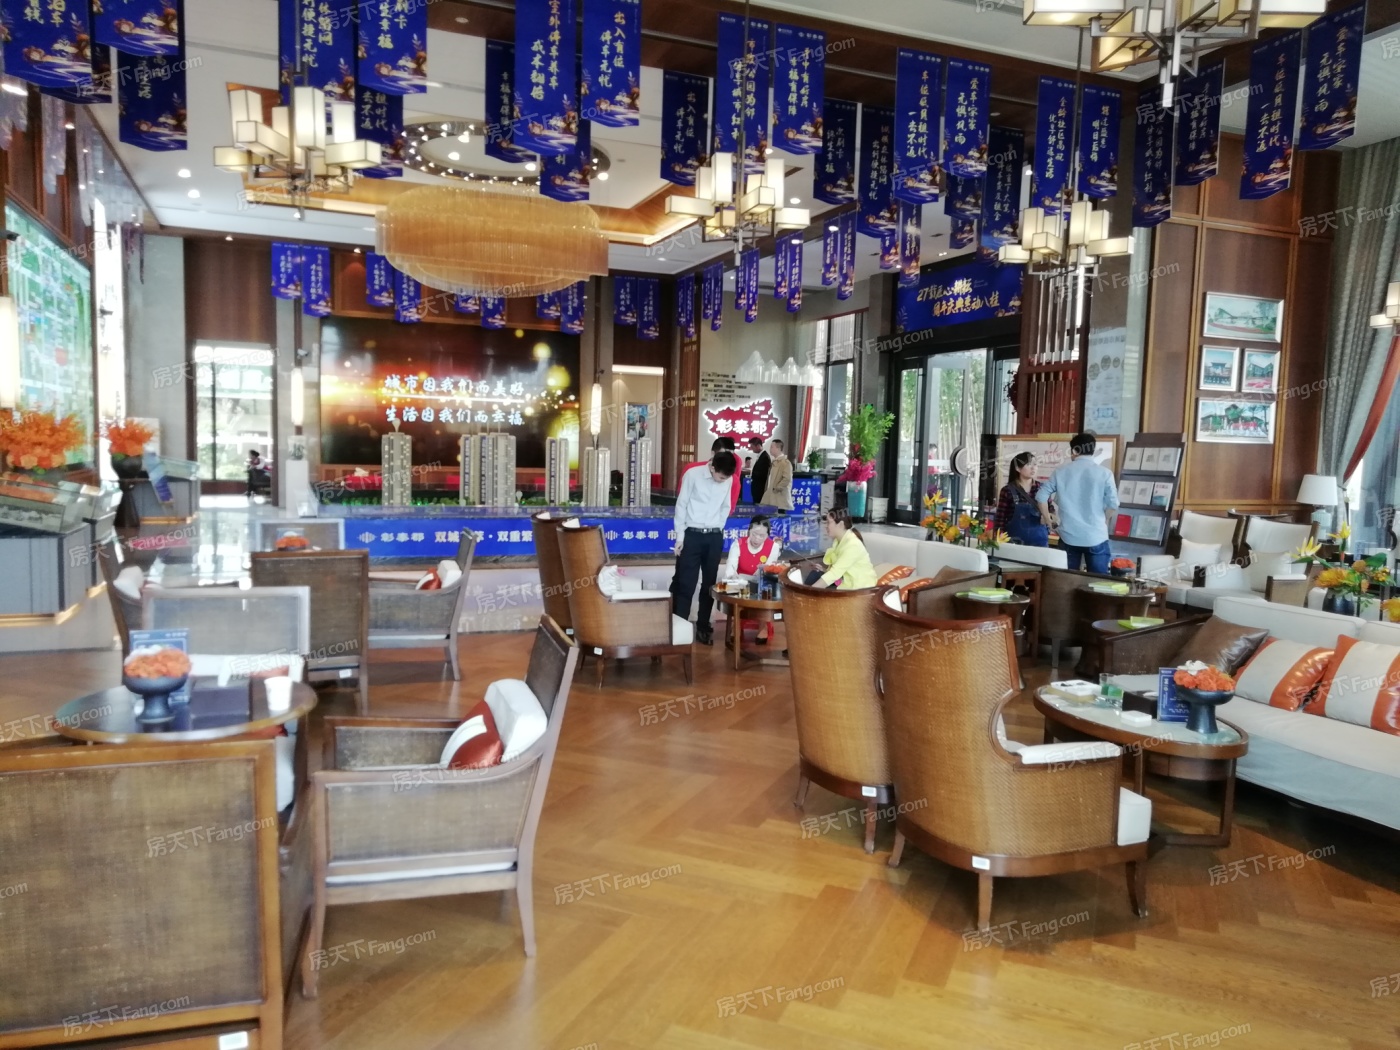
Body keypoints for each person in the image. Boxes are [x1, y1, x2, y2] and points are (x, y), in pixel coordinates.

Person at [672, 450, 740, 645]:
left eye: (726, 478)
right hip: (692, 535)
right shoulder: (693, 475)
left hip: (714, 536)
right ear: (712, 467)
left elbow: (725, 507)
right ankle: (680, 628)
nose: (723, 480)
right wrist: (680, 537)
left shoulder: (729, 480)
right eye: (720, 477)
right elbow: (681, 505)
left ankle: (703, 626)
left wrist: (718, 527)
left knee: (709, 583)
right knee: (686, 583)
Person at [1036, 432, 1119, 573]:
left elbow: (1041, 496)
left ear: (1074, 451)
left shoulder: (1060, 471)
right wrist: (1104, 519)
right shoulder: (1105, 473)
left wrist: (1048, 520)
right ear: (1092, 450)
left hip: (1068, 536)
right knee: (1098, 582)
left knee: (1067, 581)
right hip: (1096, 535)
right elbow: (1113, 504)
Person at [723, 515, 783, 643]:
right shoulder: (738, 544)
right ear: (749, 530)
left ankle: (763, 626)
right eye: (754, 534)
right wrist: (734, 576)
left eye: (762, 535)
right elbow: (730, 569)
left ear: (767, 535)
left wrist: (749, 577)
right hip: (741, 585)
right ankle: (736, 624)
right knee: (734, 588)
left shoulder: (773, 547)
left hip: (761, 583)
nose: (757, 538)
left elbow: (765, 572)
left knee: (765, 587)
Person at [810, 507, 876, 590]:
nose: (826, 526)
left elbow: (834, 574)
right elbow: (838, 571)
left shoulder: (853, 545)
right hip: (844, 583)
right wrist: (823, 570)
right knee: (815, 574)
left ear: (840, 524)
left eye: (828, 523)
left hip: (858, 590)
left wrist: (808, 591)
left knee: (815, 582)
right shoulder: (838, 541)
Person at [995, 451, 1048, 547]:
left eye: (1035, 464)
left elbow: (1050, 509)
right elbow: (1000, 518)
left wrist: (1047, 518)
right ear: (1018, 468)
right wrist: (1000, 539)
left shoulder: (1042, 489)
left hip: (1039, 541)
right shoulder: (1007, 490)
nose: (1033, 468)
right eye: (1028, 464)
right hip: (1014, 542)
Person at [682, 437, 742, 514]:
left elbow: (729, 508)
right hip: (691, 518)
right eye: (722, 455)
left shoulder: (734, 480)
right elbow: (682, 500)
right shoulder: (691, 470)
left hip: (715, 521)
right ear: (713, 453)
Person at [761, 439, 793, 512]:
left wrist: (777, 488)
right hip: (771, 496)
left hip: (779, 497)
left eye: (772, 447)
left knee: (779, 515)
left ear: (778, 448)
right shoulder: (775, 462)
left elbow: (787, 478)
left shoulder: (785, 463)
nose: (770, 449)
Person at [748, 437, 771, 506]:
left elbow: (764, 474)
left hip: (760, 489)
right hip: (757, 489)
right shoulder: (761, 456)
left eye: (752, 447)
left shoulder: (765, 457)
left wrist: (752, 473)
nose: (752, 449)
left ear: (758, 446)